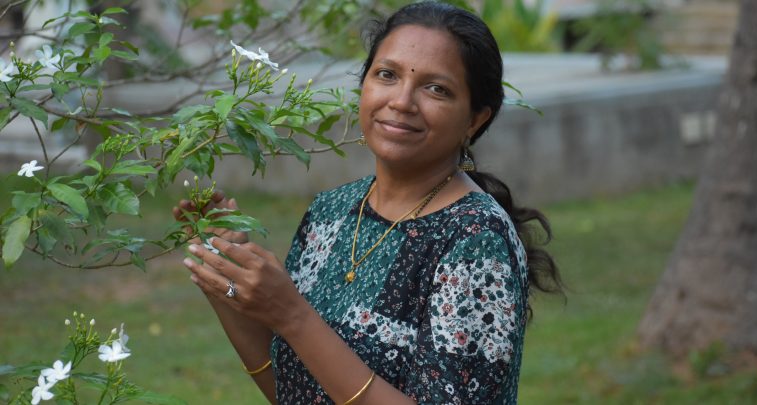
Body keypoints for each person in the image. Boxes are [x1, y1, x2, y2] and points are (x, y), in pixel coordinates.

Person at [174, 2, 563, 404]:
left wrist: (293, 314)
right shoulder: (330, 213)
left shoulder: (474, 239)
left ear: (474, 120)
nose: (402, 101)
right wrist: (224, 277)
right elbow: (295, 391)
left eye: (436, 89)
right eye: (387, 75)